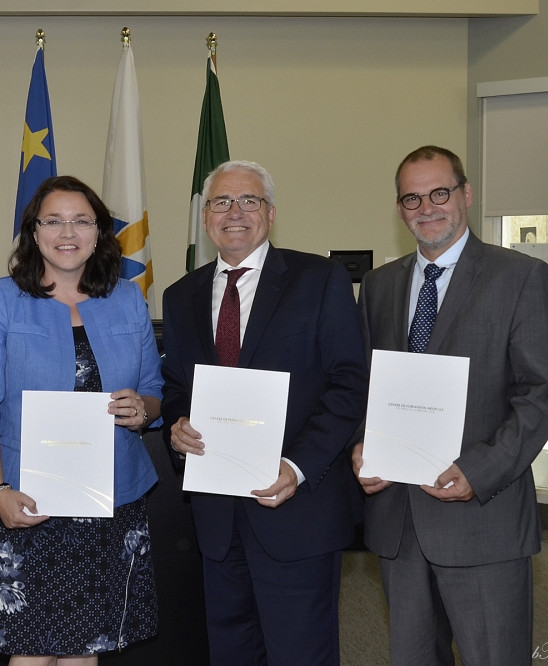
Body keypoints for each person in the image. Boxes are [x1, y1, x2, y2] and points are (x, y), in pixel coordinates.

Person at [351, 145, 548, 665]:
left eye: (439, 193)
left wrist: (481, 469)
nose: (426, 208)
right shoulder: (380, 286)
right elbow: (365, 386)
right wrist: (360, 446)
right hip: (399, 522)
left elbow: (545, 390)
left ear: (466, 195)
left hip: (482, 518)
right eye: (412, 198)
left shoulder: (520, 276)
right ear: (399, 208)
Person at [162, 160, 368, 664]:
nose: (234, 213)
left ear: (270, 214)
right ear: (205, 216)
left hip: (296, 510)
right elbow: (176, 388)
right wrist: (176, 427)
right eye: (220, 202)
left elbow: (349, 383)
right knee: (232, 651)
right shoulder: (180, 295)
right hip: (217, 518)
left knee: (301, 652)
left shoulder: (319, 279)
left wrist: (297, 466)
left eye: (248, 201)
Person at [0, 175, 162, 665]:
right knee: (31, 653)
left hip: (108, 502)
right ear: (33, 232)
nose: (67, 232)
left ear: (99, 233)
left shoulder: (127, 298)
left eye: (81, 220)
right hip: (23, 501)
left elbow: (154, 394)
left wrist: (142, 411)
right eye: (53, 220)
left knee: (86, 650)